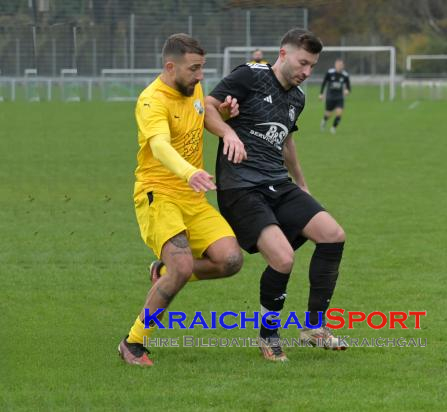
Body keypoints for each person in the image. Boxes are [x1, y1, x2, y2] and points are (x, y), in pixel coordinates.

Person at [205, 28, 347, 362]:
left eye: (312, 66)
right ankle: (268, 337)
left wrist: (301, 183)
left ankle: (314, 327)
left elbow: (285, 140)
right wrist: (228, 134)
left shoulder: (298, 97)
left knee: (333, 235)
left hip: (278, 183)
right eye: (303, 63)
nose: (307, 72)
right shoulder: (250, 76)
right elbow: (208, 106)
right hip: (241, 186)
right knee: (283, 259)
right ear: (283, 54)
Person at [118, 33, 247, 367]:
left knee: (231, 260)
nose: (201, 75)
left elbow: (204, 115)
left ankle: (164, 271)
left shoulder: (194, 88)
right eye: (194, 69)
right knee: (183, 266)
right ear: (170, 66)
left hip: (192, 197)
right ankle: (133, 342)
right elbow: (160, 146)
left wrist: (226, 117)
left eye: (202, 68)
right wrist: (190, 172)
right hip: (158, 193)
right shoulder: (151, 101)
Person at [319, 58, 351, 134]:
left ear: (343, 66)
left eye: (341, 65)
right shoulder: (330, 73)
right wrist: (321, 93)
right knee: (328, 114)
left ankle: (333, 128)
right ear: (335, 65)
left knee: (339, 113)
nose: (339, 66)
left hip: (339, 97)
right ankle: (324, 120)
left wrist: (347, 90)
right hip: (330, 97)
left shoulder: (345, 75)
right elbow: (324, 83)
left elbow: (348, 86)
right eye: (338, 64)